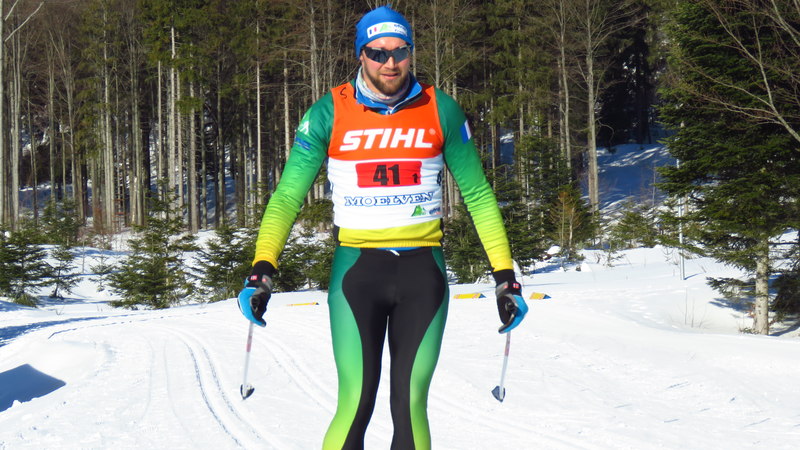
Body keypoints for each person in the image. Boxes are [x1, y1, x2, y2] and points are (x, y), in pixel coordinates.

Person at [238, 5, 528, 449]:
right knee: (355, 401)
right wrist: (262, 268)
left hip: (423, 273)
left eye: (400, 52)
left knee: (410, 403)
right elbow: (287, 197)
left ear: (410, 52)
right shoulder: (328, 112)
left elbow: (478, 195)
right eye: (377, 53)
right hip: (357, 271)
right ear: (361, 54)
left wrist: (505, 277)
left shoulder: (441, 109)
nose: (390, 63)